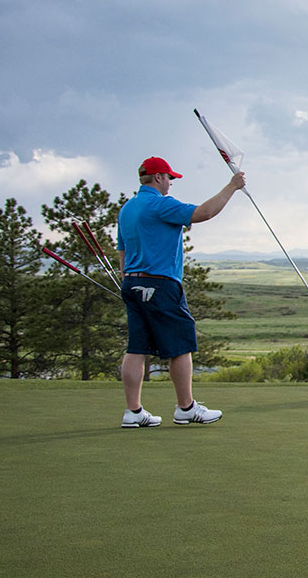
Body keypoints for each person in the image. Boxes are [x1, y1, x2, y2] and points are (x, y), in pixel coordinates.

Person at [116, 156, 246, 428]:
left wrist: (128, 280)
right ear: (159, 176)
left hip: (132, 282)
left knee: (137, 347)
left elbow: (122, 251)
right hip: (160, 284)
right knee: (181, 345)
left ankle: (134, 411)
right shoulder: (160, 204)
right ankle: (186, 408)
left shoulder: (127, 208)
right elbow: (203, 213)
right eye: (170, 178)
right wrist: (232, 186)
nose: (171, 183)